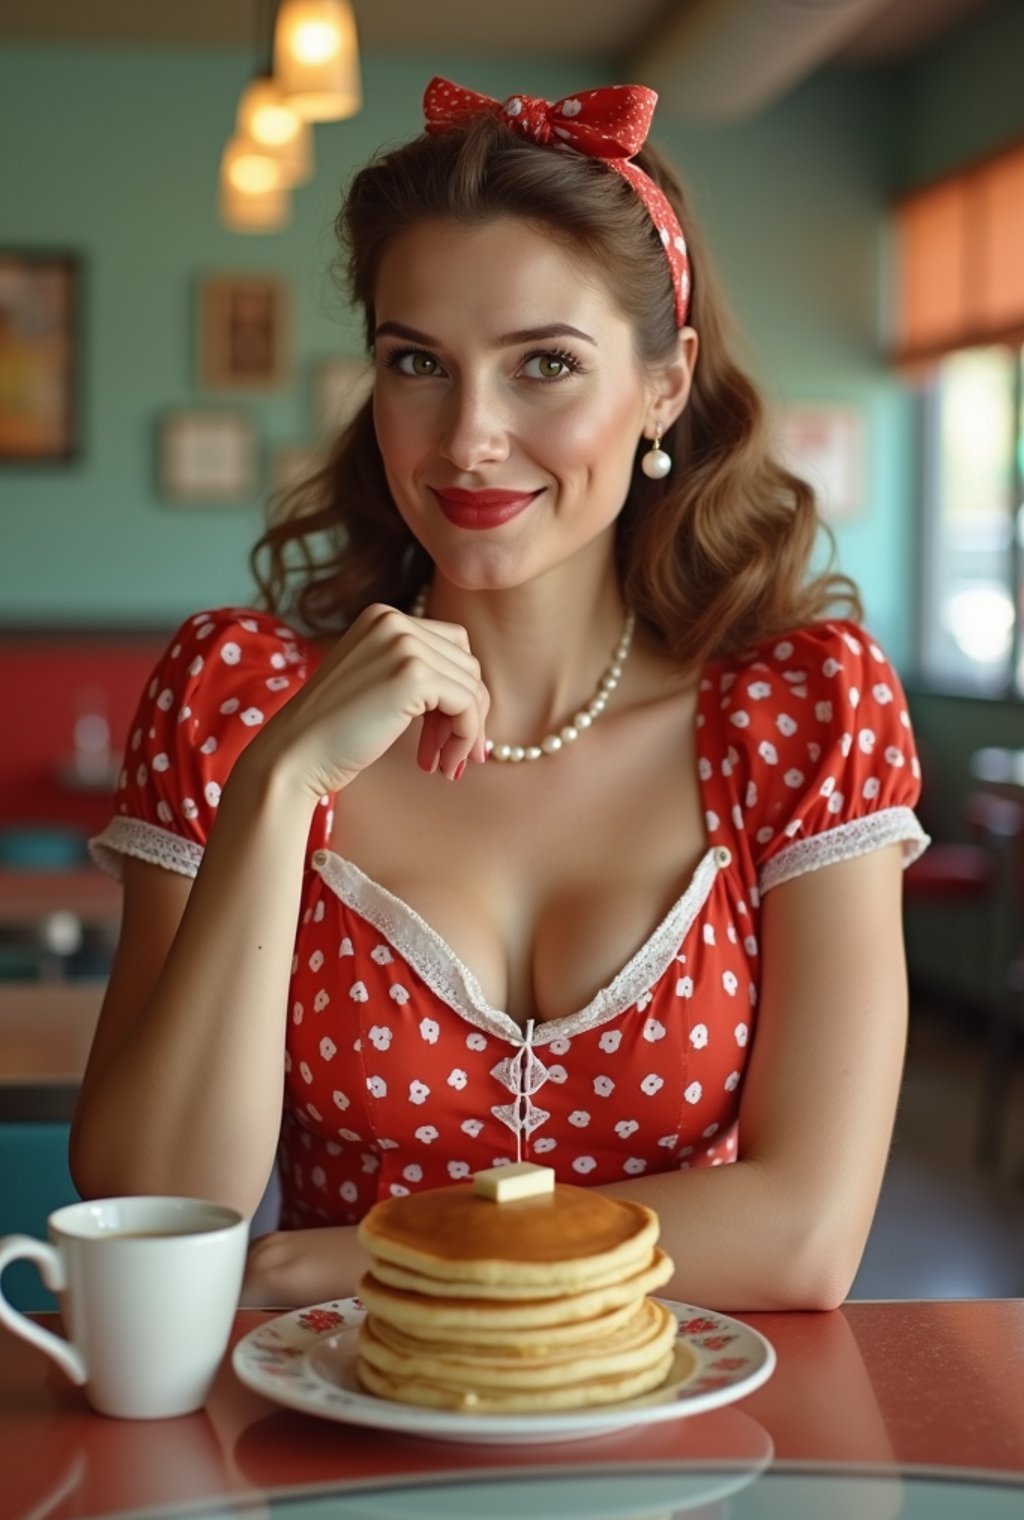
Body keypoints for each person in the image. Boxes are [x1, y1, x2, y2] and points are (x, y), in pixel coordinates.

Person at [71, 78, 928, 1312]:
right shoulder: (240, 700)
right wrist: (280, 785)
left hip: (689, 1456)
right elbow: (159, 1206)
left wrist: (357, 1258)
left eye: (543, 366)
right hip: (330, 1455)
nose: (468, 436)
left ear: (666, 385)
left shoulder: (799, 714)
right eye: (418, 361)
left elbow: (803, 1236)